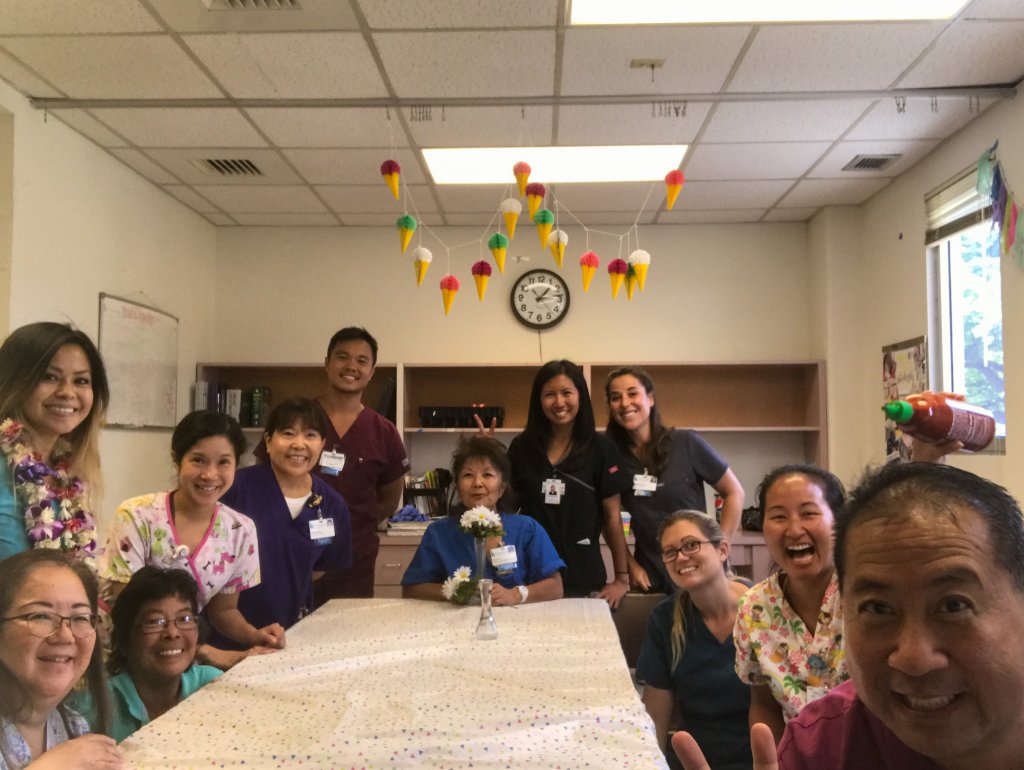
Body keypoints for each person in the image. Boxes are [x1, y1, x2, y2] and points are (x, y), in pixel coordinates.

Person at [674, 462, 1024, 770]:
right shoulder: (821, 748)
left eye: (953, 606)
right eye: (878, 608)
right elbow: (763, 703)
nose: (914, 658)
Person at [101, 411, 282, 670]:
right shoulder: (136, 516)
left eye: (223, 462)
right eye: (198, 460)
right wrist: (206, 652)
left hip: (178, 657)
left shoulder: (240, 529)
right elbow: (129, 610)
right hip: (119, 656)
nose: (210, 475)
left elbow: (223, 612)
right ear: (177, 460)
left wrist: (255, 636)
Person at [733, 464, 848, 741]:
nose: (794, 529)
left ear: (840, 522)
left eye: (809, 513)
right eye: (778, 516)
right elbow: (763, 705)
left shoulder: (866, 594)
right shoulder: (755, 608)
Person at [218, 398, 352, 636]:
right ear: (268, 441)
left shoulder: (332, 504)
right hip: (229, 629)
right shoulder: (235, 488)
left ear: (322, 444)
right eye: (288, 433)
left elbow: (321, 568)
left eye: (310, 435)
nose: (299, 444)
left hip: (293, 628)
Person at [605, 366, 745, 592]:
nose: (624, 403)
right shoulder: (612, 456)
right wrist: (631, 566)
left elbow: (734, 492)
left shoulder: (686, 442)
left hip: (700, 565)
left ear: (650, 399)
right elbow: (608, 518)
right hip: (651, 572)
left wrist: (720, 549)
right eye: (615, 398)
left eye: (632, 393)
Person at [505, 360, 631, 608]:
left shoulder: (602, 448)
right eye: (549, 394)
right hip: (531, 577)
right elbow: (507, 509)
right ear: (538, 400)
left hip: (583, 575)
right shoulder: (522, 447)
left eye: (566, 393)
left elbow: (612, 517)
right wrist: (490, 460)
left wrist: (621, 578)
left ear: (580, 396)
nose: (559, 402)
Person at [636, 511, 752, 770]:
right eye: (670, 552)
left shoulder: (763, 609)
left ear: (722, 549)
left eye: (691, 545)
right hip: (694, 760)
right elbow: (656, 718)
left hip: (763, 757)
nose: (681, 557)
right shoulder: (664, 620)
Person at [304, 327, 409, 599]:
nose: (351, 366)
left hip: (355, 557)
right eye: (342, 357)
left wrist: (355, 525)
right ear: (327, 363)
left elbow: (389, 498)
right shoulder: (298, 420)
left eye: (362, 361)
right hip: (294, 551)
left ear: (372, 371)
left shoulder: (383, 431)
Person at [402, 435, 564, 604]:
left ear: (501, 488)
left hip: (517, 623)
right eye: (468, 475)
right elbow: (412, 588)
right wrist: (456, 592)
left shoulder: (527, 529)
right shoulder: (439, 532)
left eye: (487, 474)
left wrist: (515, 595)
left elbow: (556, 586)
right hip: (455, 623)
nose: (477, 483)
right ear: (457, 487)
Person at [0, 550, 122, 769]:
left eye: (80, 618)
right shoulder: (74, 753)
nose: (65, 635)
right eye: (40, 616)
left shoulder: (74, 727)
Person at [70, 566, 220, 743]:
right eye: (154, 622)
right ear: (125, 641)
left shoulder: (212, 686)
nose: (172, 633)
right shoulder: (89, 709)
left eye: (185, 619)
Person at [0, 323, 110, 563]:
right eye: (49, 377)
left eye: (81, 381)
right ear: (14, 381)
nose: (67, 392)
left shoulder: (74, 473)